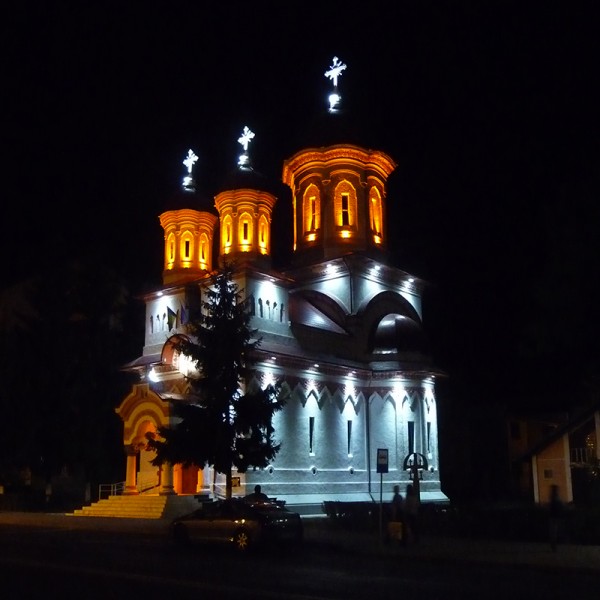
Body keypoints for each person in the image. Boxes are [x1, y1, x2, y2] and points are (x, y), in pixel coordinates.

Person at [548, 484, 564, 552]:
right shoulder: (555, 498)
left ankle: (554, 547)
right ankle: (554, 547)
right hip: (555, 517)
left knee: (553, 532)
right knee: (554, 532)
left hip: (553, 517)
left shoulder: (553, 498)